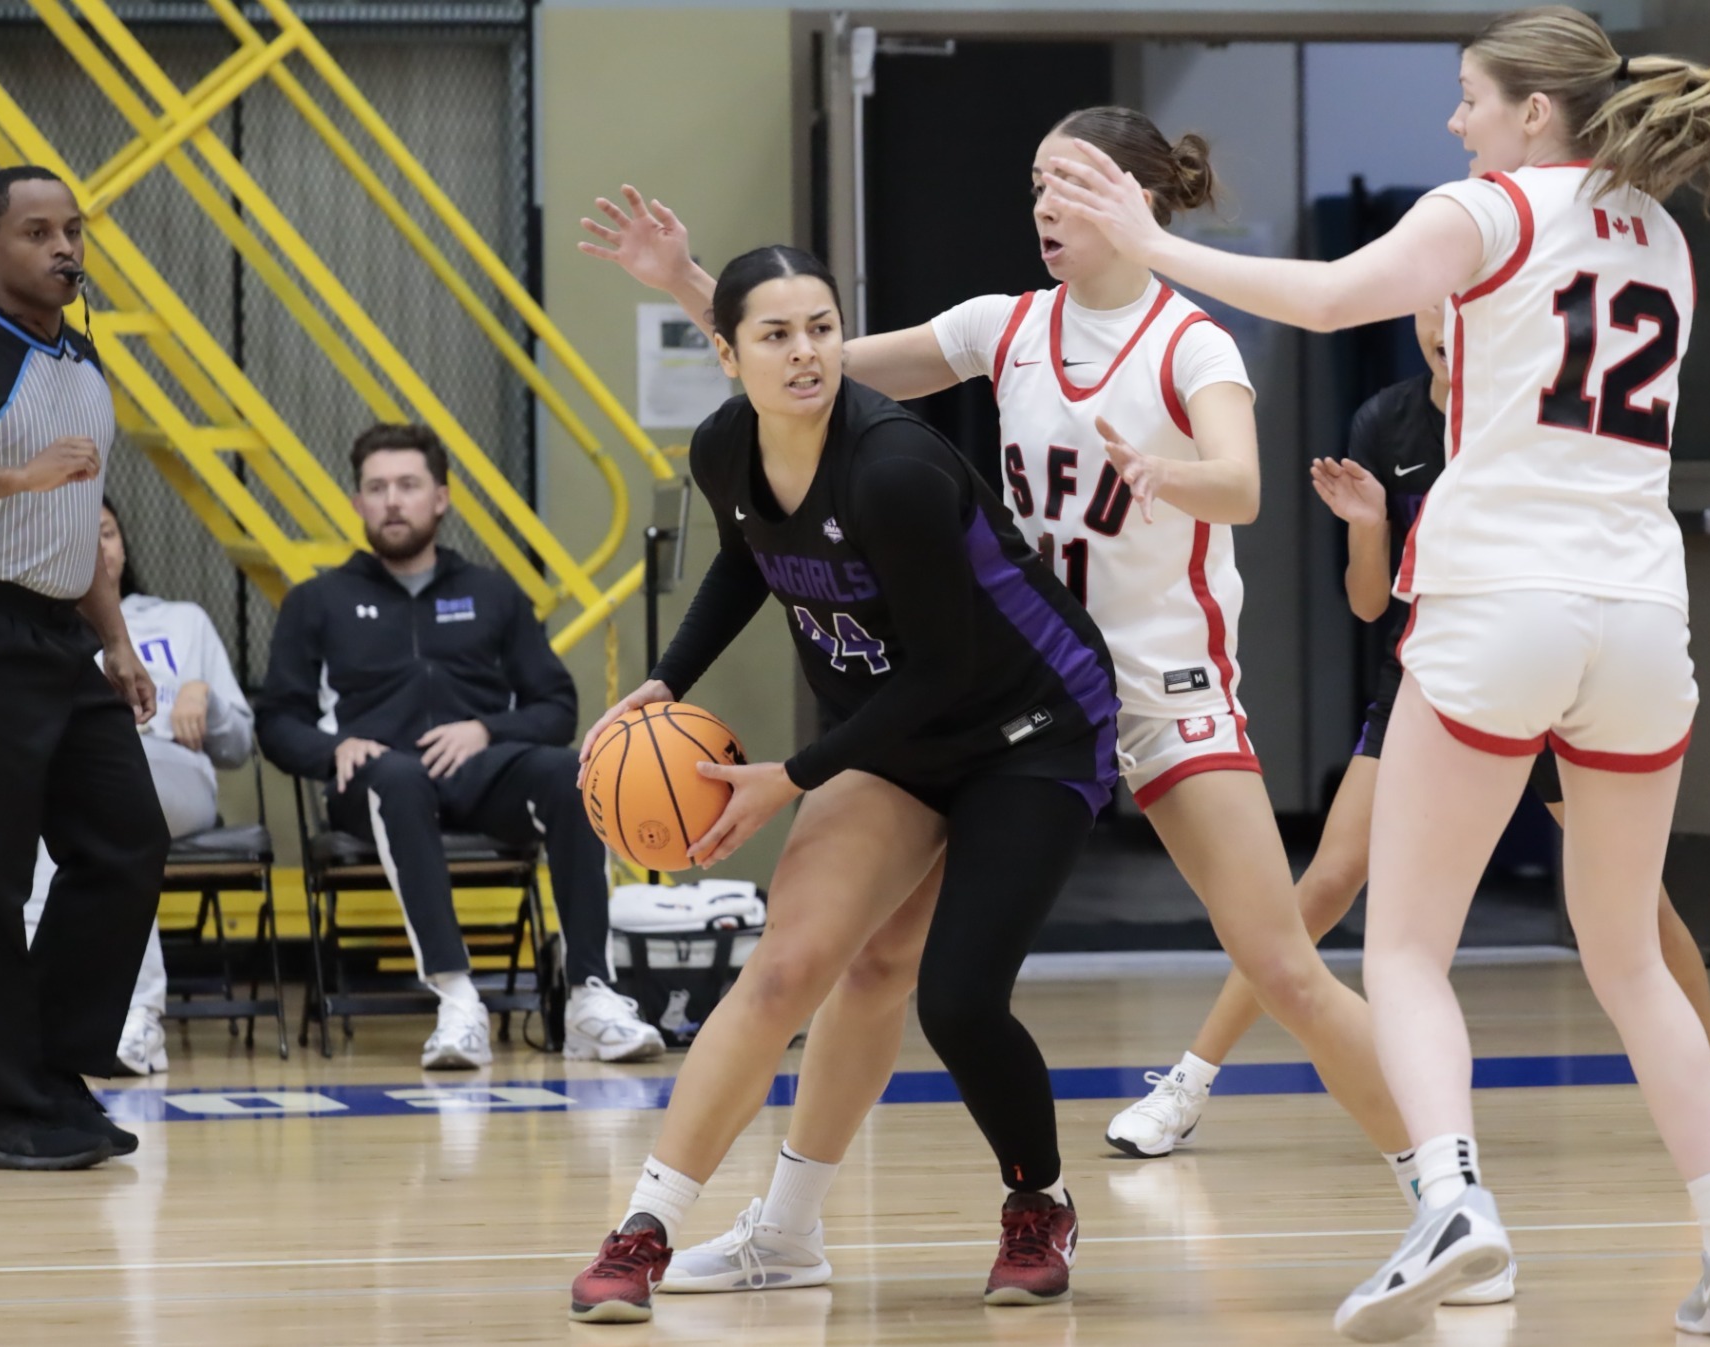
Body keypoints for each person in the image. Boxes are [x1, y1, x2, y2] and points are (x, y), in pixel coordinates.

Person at [577, 105, 1430, 1305]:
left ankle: (1445, 1195)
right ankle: (784, 1229)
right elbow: (807, 362)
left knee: (1280, 966)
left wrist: (1168, 474)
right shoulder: (1006, 326)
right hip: (1006, 680)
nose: (1041, 208)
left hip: (1155, 690)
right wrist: (687, 281)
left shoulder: (1190, 345)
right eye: (1034, 185)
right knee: (873, 967)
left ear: (1135, 198)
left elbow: (1240, 487)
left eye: (1068, 185)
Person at [1044, 5, 1710, 1338]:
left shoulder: (1486, 209)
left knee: (1402, 944)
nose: (1454, 121)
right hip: (1640, 614)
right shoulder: (1661, 235)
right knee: (1628, 954)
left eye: (1468, 97)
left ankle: (1450, 1199)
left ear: (1532, 112)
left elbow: (1330, 299)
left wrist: (1151, 244)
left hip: (1501, 600)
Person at [566, 244, 1121, 1322]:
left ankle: (1038, 1202)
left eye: (821, 327)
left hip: (1032, 728)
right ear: (728, 354)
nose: (806, 352)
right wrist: (667, 680)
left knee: (954, 996)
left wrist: (790, 777)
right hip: (902, 731)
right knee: (795, 968)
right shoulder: (724, 447)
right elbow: (747, 556)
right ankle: (666, 1229)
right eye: (776, 335)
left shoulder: (892, 469)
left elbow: (947, 667)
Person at [1106, 309, 1710, 1158]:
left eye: (1458, 301)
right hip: (1430, 678)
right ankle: (1188, 1080)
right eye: (1428, 306)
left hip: (1545, 672)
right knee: (1325, 882)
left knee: (1637, 902)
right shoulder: (1385, 422)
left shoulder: (1540, 412)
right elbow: (1367, 603)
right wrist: (1367, 525)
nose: (1444, 323)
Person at [255, 423, 658, 1070]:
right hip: (375, 783)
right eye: (376, 488)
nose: (392, 501)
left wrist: (487, 730)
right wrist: (334, 750)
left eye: (407, 485)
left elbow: (556, 707)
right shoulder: (317, 601)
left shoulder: (494, 593)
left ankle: (590, 995)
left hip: (481, 776)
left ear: (440, 499)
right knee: (399, 777)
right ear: (357, 503)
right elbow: (277, 720)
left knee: (571, 772)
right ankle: (457, 997)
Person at [0, 165, 167, 1171]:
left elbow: (74, 514)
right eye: (36, 232)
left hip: (63, 636)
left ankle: (50, 1072)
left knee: (127, 840)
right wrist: (14, 476)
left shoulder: (82, 357)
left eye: (72, 230)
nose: (63, 247)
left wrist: (113, 635)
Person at [19, 499, 255, 1076]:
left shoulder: (183, 621)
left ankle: (138, 1014)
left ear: (124, 545)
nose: (97, 545)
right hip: (72, 781)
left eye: (105, 532)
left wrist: (205, 698)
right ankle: (47, 1022)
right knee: (79, 815)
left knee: (110, 806)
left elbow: (239, 745)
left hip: (173, 773)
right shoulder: (36, 629)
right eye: (82, 534)